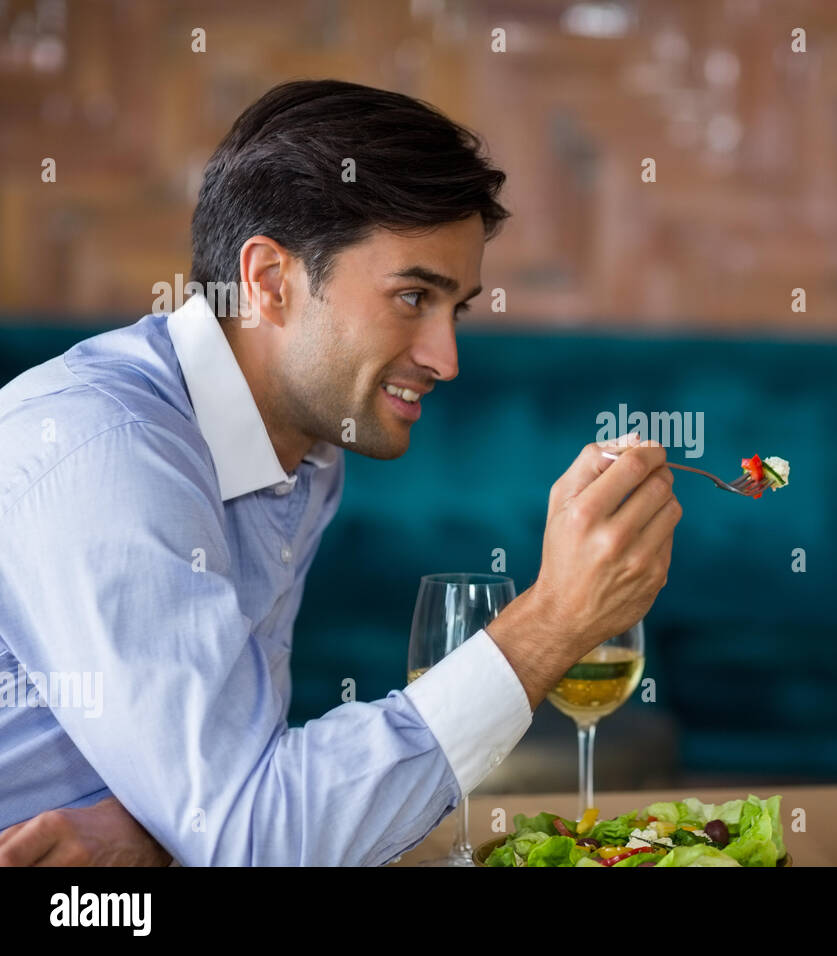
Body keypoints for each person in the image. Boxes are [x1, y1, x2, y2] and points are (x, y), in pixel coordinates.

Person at [0, 80, 681, 866]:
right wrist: (551, 622)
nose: (446, 359)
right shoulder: (108, 453)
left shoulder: (307, 449)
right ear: (268, 281)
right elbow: (257, 837)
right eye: (412, 296)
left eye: (454, 308)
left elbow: (240, 804)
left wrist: (167, 832)